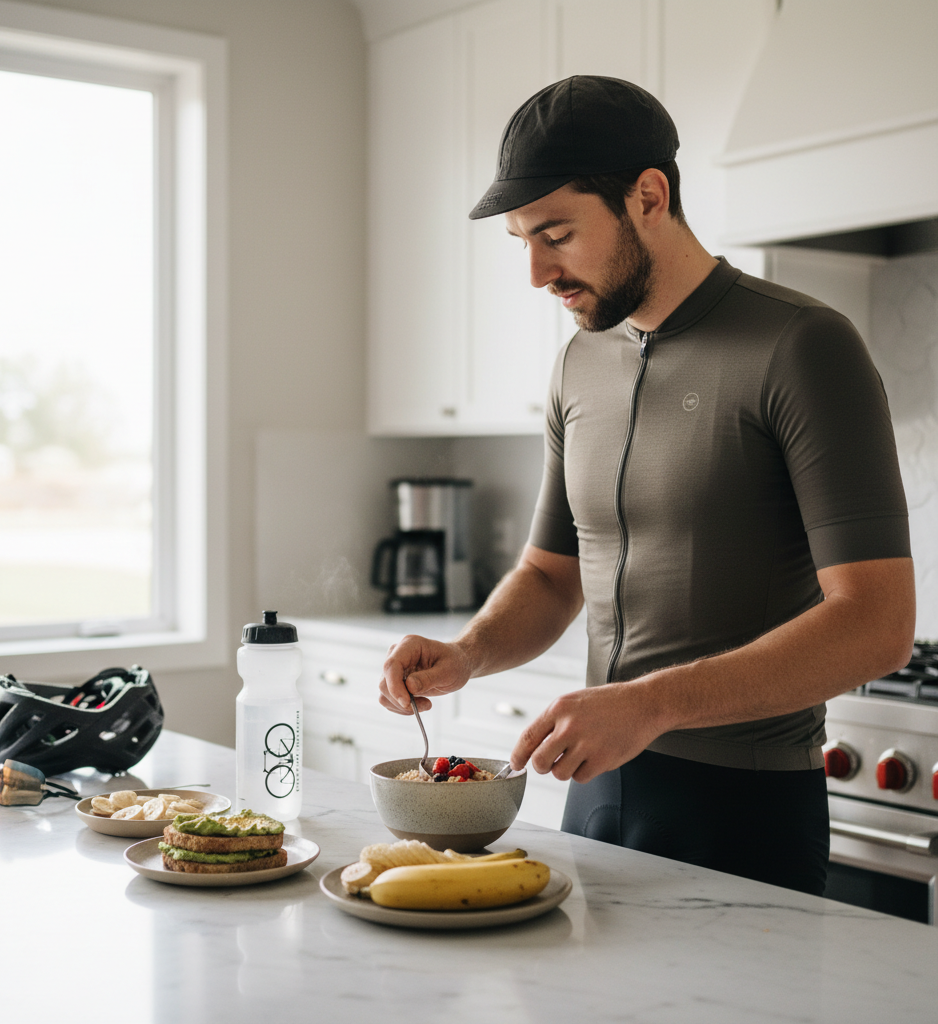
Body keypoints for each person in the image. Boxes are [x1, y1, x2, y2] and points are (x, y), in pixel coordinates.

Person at [377, 76, 915, 896]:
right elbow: (552, 574)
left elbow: (877, 626)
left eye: (556, 233)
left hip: (747, 807)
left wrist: (653, 703)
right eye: (523, 239)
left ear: (649, 195)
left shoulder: (804, 347)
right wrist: (469, 651)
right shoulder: (578, 361)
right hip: (594, 789)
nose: (535, 272)